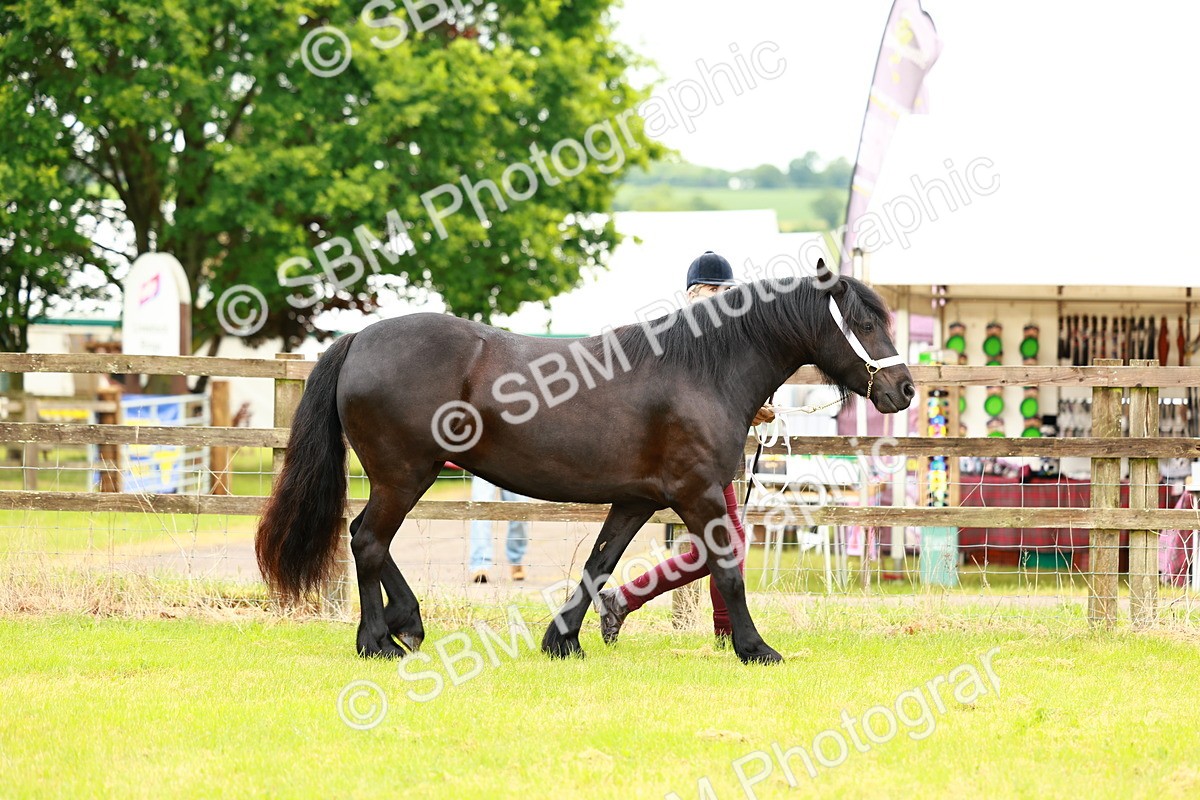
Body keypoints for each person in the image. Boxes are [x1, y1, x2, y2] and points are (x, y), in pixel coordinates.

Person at [594, 251, 775, 646]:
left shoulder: (720, 339)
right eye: (713, 289)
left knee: (724, 546)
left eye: (727, 291)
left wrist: (751, 410)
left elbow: (718, 399)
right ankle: (717, 629)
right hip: (682, 461)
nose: (722, 297)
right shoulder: (680, 337)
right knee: (723, 547)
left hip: (705, 459)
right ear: (692, 293)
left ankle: (627, 602)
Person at [469, 474, 530, 583]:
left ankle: (516, 561)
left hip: (515, 469)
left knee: (520, 513)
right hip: (482, 468)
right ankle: (480, 565)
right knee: (480, 513)